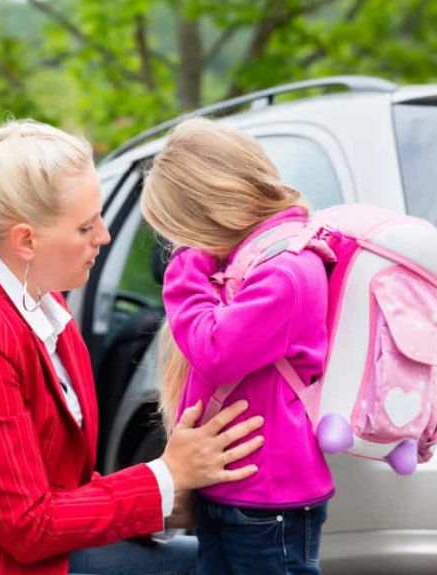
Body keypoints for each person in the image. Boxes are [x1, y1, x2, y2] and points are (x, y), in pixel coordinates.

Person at [0, 119, 266, 575]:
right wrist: (166, 475)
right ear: (26, 240)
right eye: (86, 227)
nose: (103, 236)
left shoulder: (45, 310)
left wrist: (170, 503)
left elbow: (59, 490)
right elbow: (29, 524)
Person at [140, 117, 334, 575]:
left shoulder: (285, 271)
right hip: (233, 486)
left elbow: (217, 353)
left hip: (268, 499)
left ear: (208, 211)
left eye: (181, 230)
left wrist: (185, 267)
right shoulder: (249, 264)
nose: (179, 244)